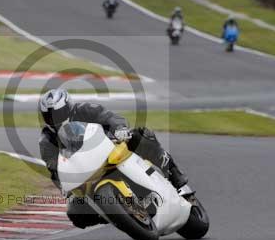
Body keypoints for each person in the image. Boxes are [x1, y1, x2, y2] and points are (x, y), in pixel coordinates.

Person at [38, 88, 189, 229]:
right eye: (49, 116)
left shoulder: (85, 109)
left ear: (68, 107)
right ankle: (114, 213)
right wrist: (65, 187)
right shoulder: (46, 140)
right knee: (75, 213)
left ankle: (175, 175)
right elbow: (54, 167)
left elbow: (110, 117)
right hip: (86, 171)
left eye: (57, 113)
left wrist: (120, 129)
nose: (54, 119)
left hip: (111, 147)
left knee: (141, 135)